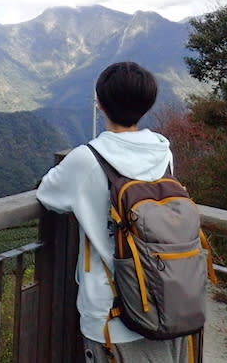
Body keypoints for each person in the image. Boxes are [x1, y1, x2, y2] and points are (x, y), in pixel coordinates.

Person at [36, 61, 191, 363]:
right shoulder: (163, 151)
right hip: (167, 296)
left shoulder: (86, 159)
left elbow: (47, 194)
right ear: (147, 104)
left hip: (111, 312)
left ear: (100, 103)